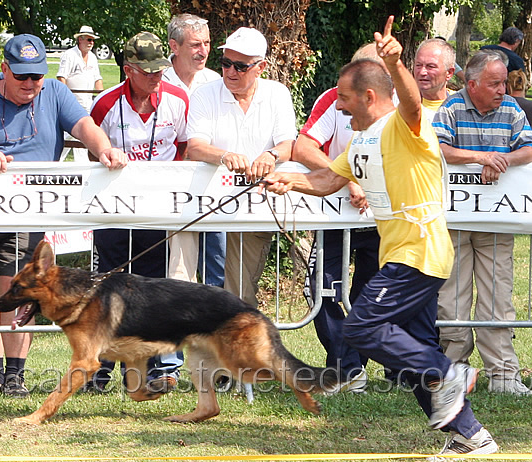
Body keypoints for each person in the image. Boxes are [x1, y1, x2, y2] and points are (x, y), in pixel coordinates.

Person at [263, 16, 498, 457]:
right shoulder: (360, 140)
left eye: (345, 99)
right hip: (403, 253)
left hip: (420, 251)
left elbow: (409, 102)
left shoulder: (407, 127)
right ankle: (470, 435)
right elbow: (328, 181)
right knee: (412, 352)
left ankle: (448, 372)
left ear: (369, 96)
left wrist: (395, 63)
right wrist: (286, 181)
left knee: (362, 325)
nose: (340, 107)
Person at [0, 34, 127, 398]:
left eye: (36, 76)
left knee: (14, 291)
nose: (31, 84)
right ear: (4, 69)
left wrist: (104, 149)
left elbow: (84, 126)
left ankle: (15, 376)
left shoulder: (55, 92)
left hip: (26, 210)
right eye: (22, 77)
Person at [89, 31, 189, 393]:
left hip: (160, 211)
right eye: (147, 71)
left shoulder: (178, 101)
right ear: (128, 70)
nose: (155, 77)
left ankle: (156, 370)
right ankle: (97, 371)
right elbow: (91, 152)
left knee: (154, 290)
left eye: (160, 70)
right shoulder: (104, 104)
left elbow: (182, 148)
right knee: (107, 288)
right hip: (114, 210)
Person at [433, 49, 532, 395]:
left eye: (504, 82)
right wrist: (481, 157)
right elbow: (438, 149)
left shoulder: (511, 110)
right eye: (494, 83)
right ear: (471, 84)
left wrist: (503, 159)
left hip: (497, 223)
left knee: (498, 297)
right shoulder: (449, 109)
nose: (503, 90)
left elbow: (531, 149)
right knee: (452, 300)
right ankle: (454, 374)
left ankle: (504, 376)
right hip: (455, 223)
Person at [293, 43, 384, 394]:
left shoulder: (402, 111)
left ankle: (359, 368)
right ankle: (348, 368)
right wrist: (348, 178)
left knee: (370, 295)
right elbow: (304, 147)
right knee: (319, 287)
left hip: (383, 221)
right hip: (335, 216)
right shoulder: (333, 98)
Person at [187, 26, 297, 308]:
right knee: (190, 288)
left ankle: (235, 347)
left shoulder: (277, 94)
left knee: (239, 294)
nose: (230, 72)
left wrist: (270, 155)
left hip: (255, 207)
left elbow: (288, 144)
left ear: (260, 67)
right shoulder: (204, 93)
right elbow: (195, 147)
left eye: (240, 66)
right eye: (225, 63)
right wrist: (224, 156)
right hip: (204, 204)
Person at [163, 13, 226, 288]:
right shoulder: (157, 80)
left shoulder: (218, 81)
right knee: (180, 271)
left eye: (207, 43)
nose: (203, 52)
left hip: (216, 186)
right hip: (173, 188)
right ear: (174, 46)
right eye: (195, 45)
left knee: (220, 262)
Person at [57, 25, 104, 162]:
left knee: (85, 136)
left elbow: (98, 79)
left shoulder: (93, 58)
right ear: (80, 39)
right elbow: (61, 78)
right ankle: (54, 164)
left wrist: (99, 99)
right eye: (89, 40)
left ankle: (82, 167)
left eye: (93, 40)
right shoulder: (69, 55)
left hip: (88, 104)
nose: (91, 43)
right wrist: (64, 101)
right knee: (66, 136)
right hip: (72, 104)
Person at [413, 38, 455, 115]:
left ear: (449, 73)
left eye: (430, 66)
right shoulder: (401, 104)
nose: (422, 72)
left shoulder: (462, 106)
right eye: (418, 65)